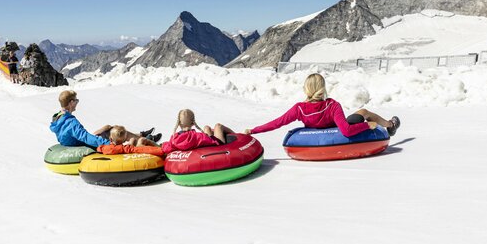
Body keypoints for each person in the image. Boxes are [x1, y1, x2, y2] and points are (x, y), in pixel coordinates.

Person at [244, 73, 400, 137]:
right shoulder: (332, 105)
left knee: (362, 112)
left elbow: (277, 123)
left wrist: (253, 130)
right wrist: (369, 125)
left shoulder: (299, 108)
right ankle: (389, 125)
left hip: (316, 131)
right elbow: (346, 130)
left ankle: (389, 124)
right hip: (336, 128)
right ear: (322, 88)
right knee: (364, 111)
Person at [50, 90, 161, 148]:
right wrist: (108, 144)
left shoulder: (58, 118)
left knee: (108, 128)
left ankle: (142, 135)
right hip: (84, 144)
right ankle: (147, 140)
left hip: (76, 142)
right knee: (114, 131)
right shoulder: (71, 122)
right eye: (76, 101)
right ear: (71, 103)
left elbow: (78, 135)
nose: (77, 103)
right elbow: (85, 138)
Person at [161, 109, 236, 154]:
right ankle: (238, 136)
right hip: (217, 146)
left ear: (179, 123)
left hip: (206, 142)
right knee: (218, 126)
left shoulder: (174, 138)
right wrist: (209, 136)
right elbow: (209, 141)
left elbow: (167, 147)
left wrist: (163, 145)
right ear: (193, 123)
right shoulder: (195, 136)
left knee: (206, 127)